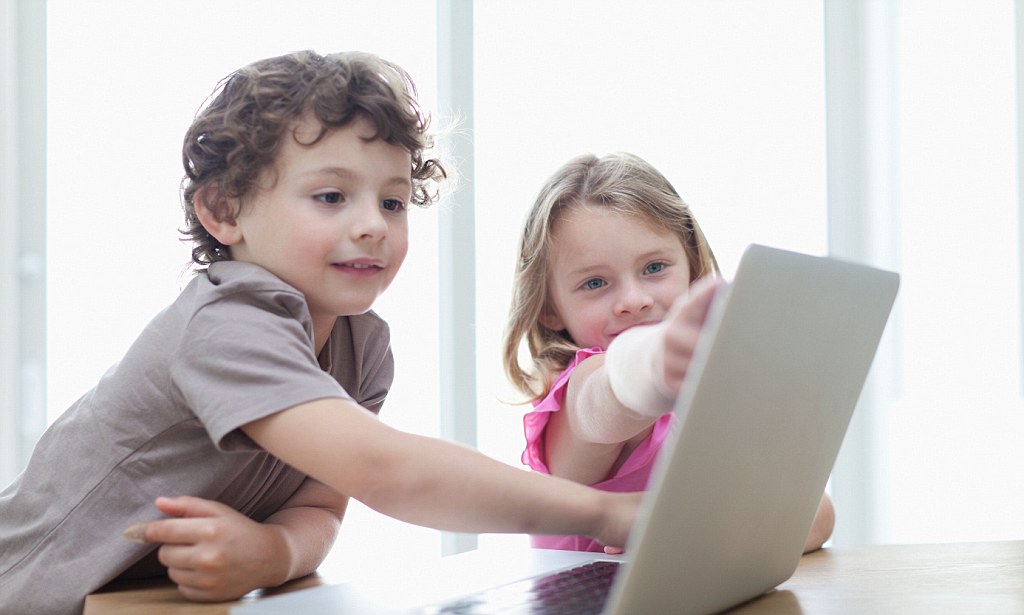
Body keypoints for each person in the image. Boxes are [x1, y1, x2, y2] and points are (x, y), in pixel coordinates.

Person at [0, 51, 641, 615]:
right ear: (224, 211)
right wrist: (608, 513)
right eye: (331, 197)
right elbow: (388, 472)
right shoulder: (225, 324)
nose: (373, 225)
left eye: (392, 201)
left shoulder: (362, 345)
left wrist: (274, 550)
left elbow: (319, 507)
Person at [502, 152, 836, 553]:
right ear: (550, 309)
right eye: (594, 283)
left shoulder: (715, 398)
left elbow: (816, 517)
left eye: (654, 268)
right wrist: (651, 367)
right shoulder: (577, 394)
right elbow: (605, 398)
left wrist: (694, 534)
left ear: (692, 267)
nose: (633, 300)